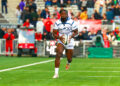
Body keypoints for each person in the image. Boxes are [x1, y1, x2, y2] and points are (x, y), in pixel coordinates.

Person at [53, 9, 78, 78]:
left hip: (70, 40)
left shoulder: (72, 22)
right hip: (61, 40)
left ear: (67, 15)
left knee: (69, 58)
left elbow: (76, 32)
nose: (63, 15)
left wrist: (71, 36)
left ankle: (68, 62)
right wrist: (59, 37)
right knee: (58, 53)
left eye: (65, 14)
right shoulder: (57, 23)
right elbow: (54, 33)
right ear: (60, 15)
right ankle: (56, 73)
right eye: (62, 14)